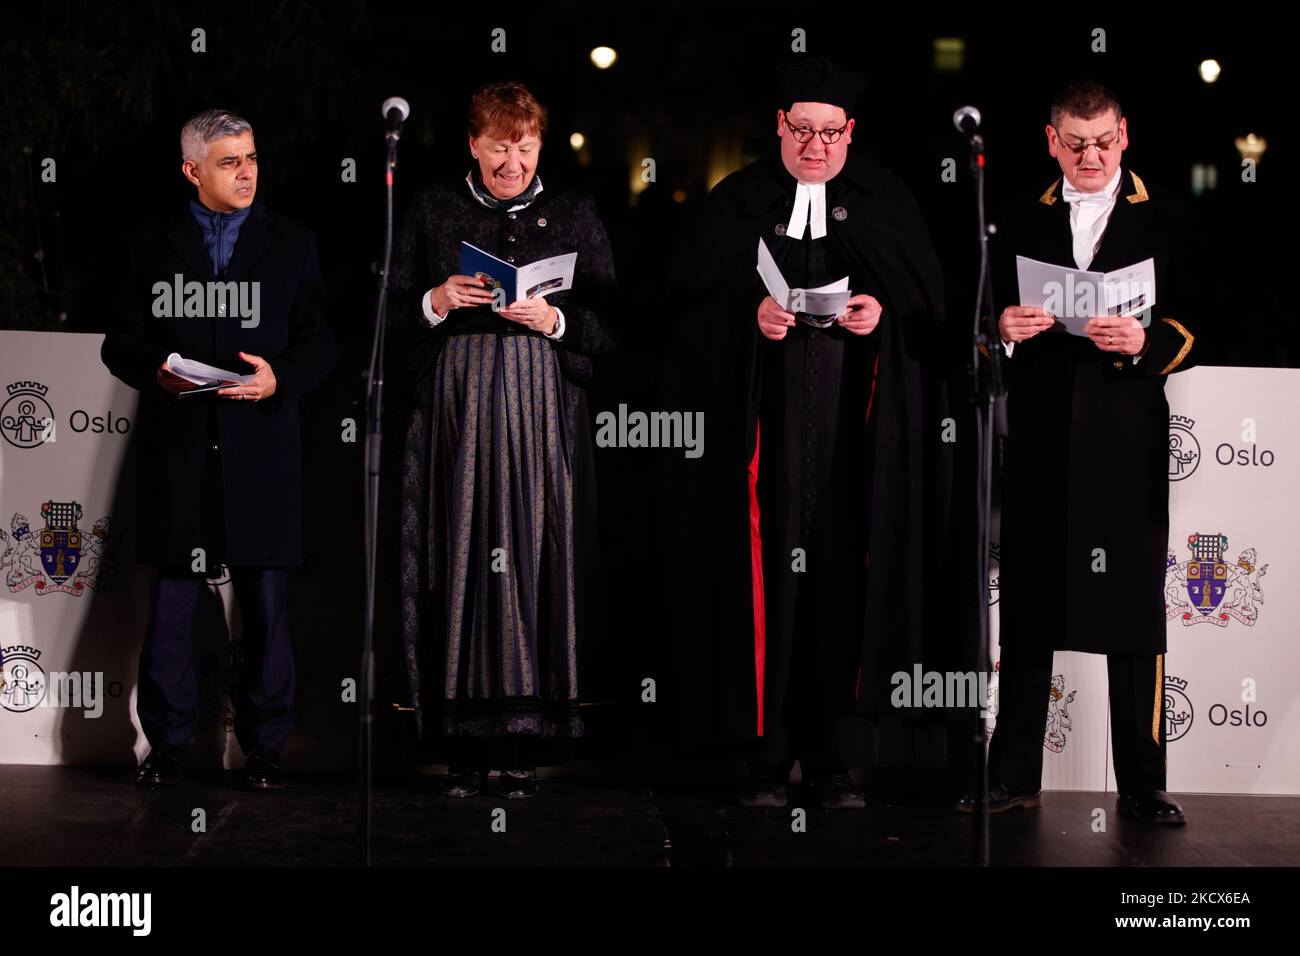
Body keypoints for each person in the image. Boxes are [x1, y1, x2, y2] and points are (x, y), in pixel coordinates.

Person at [659, 58, 954, 809]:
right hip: (763, 446)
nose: (815, 146)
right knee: (767, 589)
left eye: (829, 132)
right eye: (801, 130)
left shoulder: (886, 201)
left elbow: (930, 313)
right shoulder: (739, 201)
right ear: (779, 127)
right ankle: (762, 757)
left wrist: (881, 316)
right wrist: (747, 317)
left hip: (853, 442)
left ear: (851, 132)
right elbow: (681, 314)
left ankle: (833, 760)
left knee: (842, 584)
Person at [958, 79, 1206, 825]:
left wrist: (1145, 340)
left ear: (1123, 135)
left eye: (1102, 142)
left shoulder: (1167, 214)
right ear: (1051, 141)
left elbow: (1199, 320)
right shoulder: (1013, 216)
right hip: (1039, 437)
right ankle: (1012, 774)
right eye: (1075, 144)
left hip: (1127, 438)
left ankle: (1142, 784)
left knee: (1134, 612)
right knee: (1029, 606)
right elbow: (973, 322)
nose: (1090, 156)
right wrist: (1001, 329)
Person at [392, 81, 618, 799]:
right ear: (473, 144)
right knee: (457, 556)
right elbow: (385, 313)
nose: (511, 163)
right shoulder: (434, 207)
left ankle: (524, 742)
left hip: (540, 415)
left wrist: (555, 322)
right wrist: (435, 302)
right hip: (455, 412)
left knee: (530, 559)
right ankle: (462, 744)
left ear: (540, 146)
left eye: (523, 148)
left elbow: (613, 326)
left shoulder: (574, 213)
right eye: (497, 148)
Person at [101, 109, 338, 790]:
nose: (246, 172)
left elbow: (320, 340)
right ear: (192, 170)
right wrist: (158, 369)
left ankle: (265, 749)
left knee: (266, 604)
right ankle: (168, 747)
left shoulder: (293, 242)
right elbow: (120, 341)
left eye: (252, 158)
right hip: (181, 447)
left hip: (261, 447)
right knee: (173, 601)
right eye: (230, 161)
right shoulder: (149, 244)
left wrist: (278, 378)